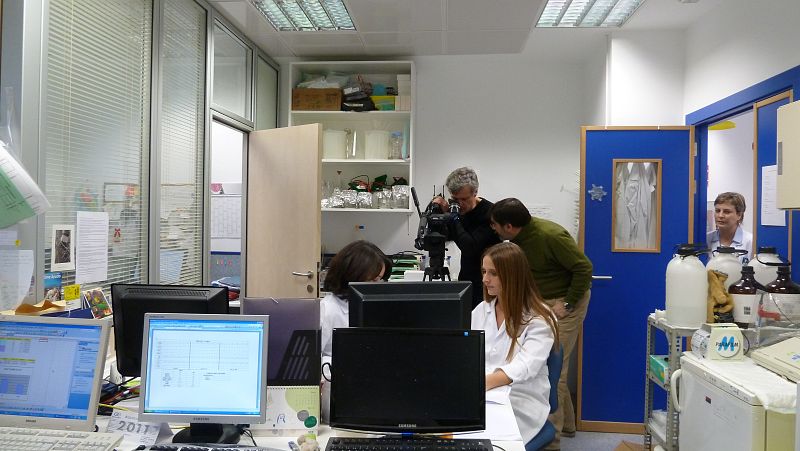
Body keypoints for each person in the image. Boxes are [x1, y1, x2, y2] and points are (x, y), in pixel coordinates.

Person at [489, 198, 593, 449]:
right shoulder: (517, 240)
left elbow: (584, 268)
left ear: (509, 226)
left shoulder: (550, 236)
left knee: (553, 372)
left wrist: (567, 304)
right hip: (540, 303)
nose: (492, 228)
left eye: (494, 224)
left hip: (564, 302)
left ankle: (551, 441)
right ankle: (567, 425)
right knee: (546, 366)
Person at [472, 242, 559, 446]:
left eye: (493, 273)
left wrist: (478, 385)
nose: (485, 279)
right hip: (483, 391)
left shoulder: (540, 318)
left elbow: (524, 366)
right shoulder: (481, 310)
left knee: (490, 439)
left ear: (513, 275)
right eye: (484, 271)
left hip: (520, 397)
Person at [319, 240, 387, 422]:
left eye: (380, 279)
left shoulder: (373, 306)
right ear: (353, 275)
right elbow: (312, 359)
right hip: (339, 389)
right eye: (373, 280)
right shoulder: (328, 308)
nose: (378, 285)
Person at [431, 167, 500, 307]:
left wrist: (453, 219)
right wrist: (441, 214)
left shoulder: (490, 214)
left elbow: (470, 247)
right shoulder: (456, 211)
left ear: (475, 192)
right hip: (466, 280)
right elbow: (447, 237)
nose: (459, 204)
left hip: (489, 284)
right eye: (455, 199)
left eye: (464, 199)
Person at [707, 192, 753, 261]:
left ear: (739, 215)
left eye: (726, 212)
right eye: (717, 211)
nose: (720, 215)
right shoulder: (707, 239)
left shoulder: (750, 242)